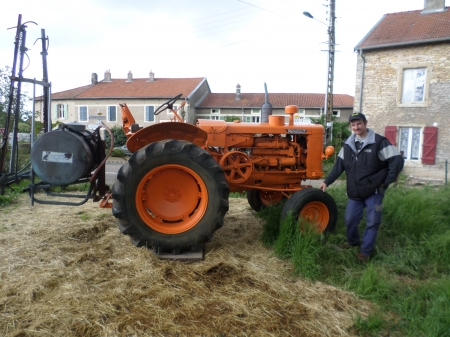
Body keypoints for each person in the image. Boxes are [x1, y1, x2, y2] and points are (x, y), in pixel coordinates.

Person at [319, 112, 404, 263]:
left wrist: (387, 181)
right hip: (355, 192)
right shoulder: (348, 145)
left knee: (372, 222)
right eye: (353, 125)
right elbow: (338, 166)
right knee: (350, 220)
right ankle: (352, 242)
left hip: (375, 191)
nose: (356, 127)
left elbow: (396, 160)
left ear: (365, 123)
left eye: (359, 124)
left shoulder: (379, 142)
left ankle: (365, 252)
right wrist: (327, 182)